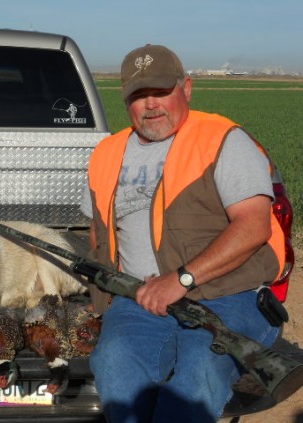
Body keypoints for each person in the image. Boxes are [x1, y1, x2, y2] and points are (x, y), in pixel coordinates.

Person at [80, 44, 286, 422]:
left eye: (161, 91)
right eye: (139, 95)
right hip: (140, 297)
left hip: (226, 293)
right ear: (126, 99)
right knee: (114, 364)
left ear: (186, 89)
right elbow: (99, 228)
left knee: (198, 374)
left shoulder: (222, 140)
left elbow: (254, 225)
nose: (151, 104)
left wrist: (182, 279)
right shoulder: (106, 152)